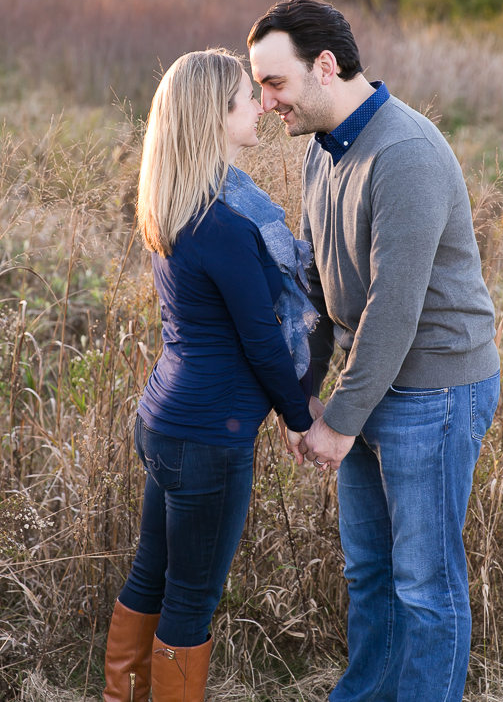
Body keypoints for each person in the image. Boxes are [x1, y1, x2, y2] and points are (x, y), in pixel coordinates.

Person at [247, 0, 500, 702]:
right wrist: (302, 394)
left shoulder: (405, 153)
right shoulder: (322, 155)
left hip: (435, 390)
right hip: (371, 384)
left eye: (274, 83)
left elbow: (395, 308)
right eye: (261, 87)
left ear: (325, 67)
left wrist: (341, 420)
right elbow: (320, 289)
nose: (267, 102)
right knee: (369, 573)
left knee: (424, 585)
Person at [102, 49, 317, 702]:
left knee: (151, 572)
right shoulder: (221, 223)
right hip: (207, 438)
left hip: (164, 423)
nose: (261, 106)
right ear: (216, 116)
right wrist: (301, 418)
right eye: (247, 97)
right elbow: (260, 340)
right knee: (191, 598)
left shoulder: (178, 207)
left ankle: (121, 695)